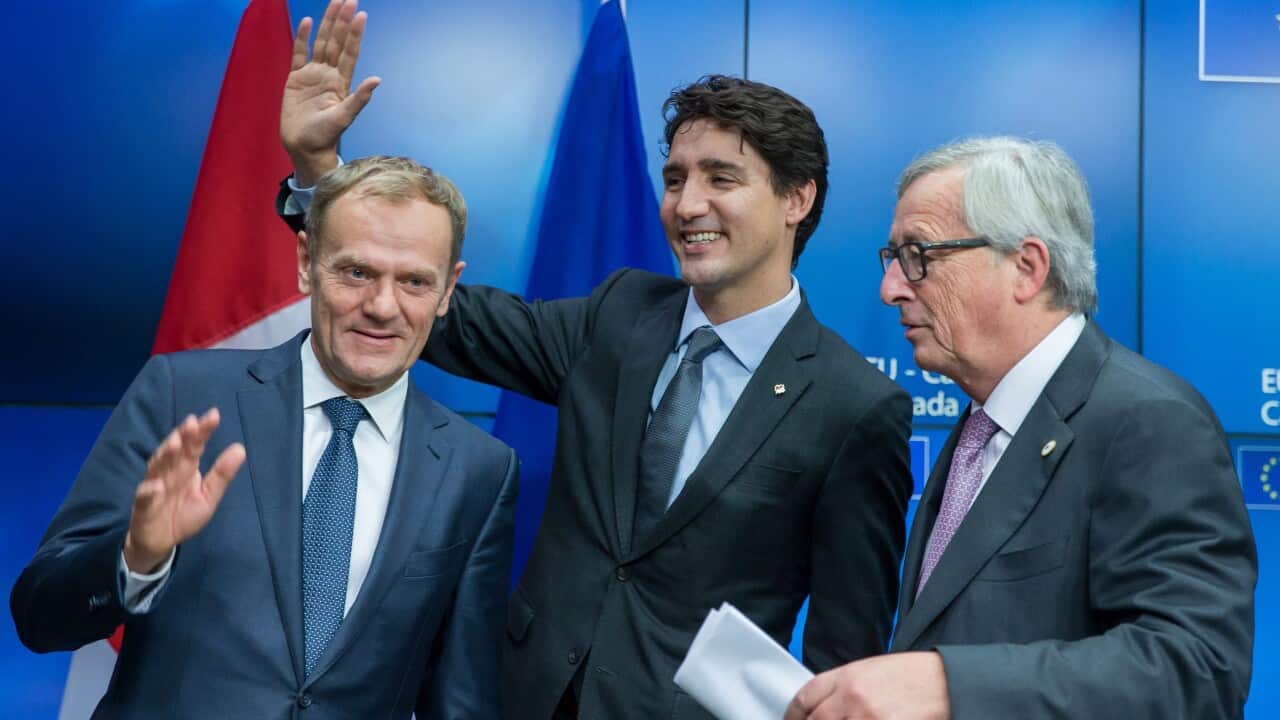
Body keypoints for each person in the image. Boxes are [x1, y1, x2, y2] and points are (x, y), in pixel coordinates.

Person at [274, 2, 913, 717]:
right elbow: (437, 313)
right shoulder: (620, 313)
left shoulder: (855, 406)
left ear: (798, 198)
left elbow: (847, 654)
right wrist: (318, 170)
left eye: (720, 179)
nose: (687, 203)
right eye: (674, 179)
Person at [11, 156, 518, 719]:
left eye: (415, 281)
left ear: (448, 289)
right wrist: (137, 555)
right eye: (356, 272)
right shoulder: (182, 394)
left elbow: (462, 698)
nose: (381, 306)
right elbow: (38, 617)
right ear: (307, 262)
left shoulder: (479, 469)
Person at [785, 136, 1257, 720]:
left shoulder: (1151, 423)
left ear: (1027, 268)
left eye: (919, 256)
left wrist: (947, 685)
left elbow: (1194, 670)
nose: (891, 289)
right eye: (893, 259)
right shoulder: (982, 423)